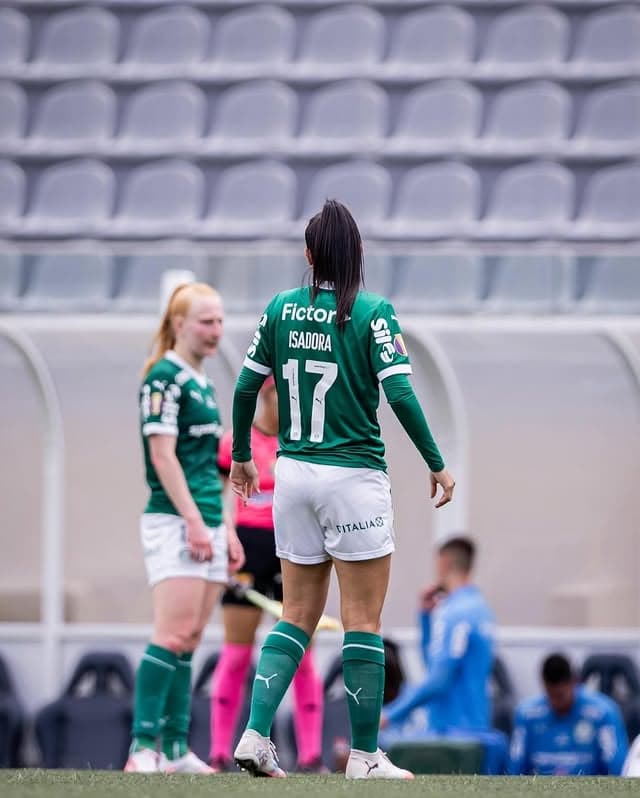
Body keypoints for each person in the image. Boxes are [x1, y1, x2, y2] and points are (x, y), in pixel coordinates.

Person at [228, 199, 455, 779]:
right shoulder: (374, 311)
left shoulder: (280, 308)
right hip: (352, 477)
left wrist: (245, 457)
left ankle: (255, 735)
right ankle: (363, 756)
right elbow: (401, 394)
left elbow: (246, 386)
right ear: (358, 254)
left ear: (308, 256)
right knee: (362, 620)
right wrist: (436, 462)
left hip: (294, 476)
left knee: (296, 615)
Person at [125, 282, 245, 774]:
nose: (216, 330)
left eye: (219, 321)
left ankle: (174, 749)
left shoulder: (203, 381)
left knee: (193, 636)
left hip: (210, 524)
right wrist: (195, 522)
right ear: (179, 325)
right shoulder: (163, 378)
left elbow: (214, 467)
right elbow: (162, 455)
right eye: (206, 321)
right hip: (175, 521)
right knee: (171, 633)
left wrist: (229, 528)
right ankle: (141, 748)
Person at [210, 374, 325, 772]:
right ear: (267, 394)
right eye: (285, 393)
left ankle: (311, 755)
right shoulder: (234, 442)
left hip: (291, 552)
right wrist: (224, 541)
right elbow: (216, 495)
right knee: (236, 654)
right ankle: (219, 752)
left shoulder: (302, 441)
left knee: (303, 657)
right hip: (249, 552)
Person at [379, 536, 507, 774]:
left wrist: (391, 714)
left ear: (445, 562)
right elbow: (436, 665)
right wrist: (426, 618)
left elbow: (439, 679)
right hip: (475, 724)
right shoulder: (481, 609)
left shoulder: (455, 613)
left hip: (452, 731)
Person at [509, 652, 629, 776]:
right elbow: (515, 765)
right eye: (551, 695)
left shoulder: (602, 713)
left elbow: (618, 766)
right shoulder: (527, 714)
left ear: (574, 683)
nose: (555, 702)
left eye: (560, 696)